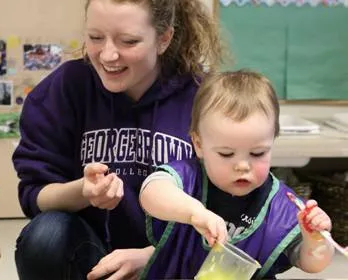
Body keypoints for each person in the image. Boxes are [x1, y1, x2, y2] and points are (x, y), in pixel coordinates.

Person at [12, 0, 224, 279]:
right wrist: (84, 191)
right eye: (95, 38)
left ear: (163, 39)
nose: (108, 55)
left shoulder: (204, 98)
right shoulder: (66, 88)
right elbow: (35, 196)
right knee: (46, 237)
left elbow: (236, 213)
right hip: (94, 257)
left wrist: (153, 256)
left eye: (128, 41)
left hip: (176, 257)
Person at [139, 70, 334, 279]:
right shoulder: (188, 178)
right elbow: (151, 193)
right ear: (199, 144)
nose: (242, 165)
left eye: (257, 153)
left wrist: (315, 239)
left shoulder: (280, 205)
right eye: (226, 153)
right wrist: (195, 213)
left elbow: (312, 264)